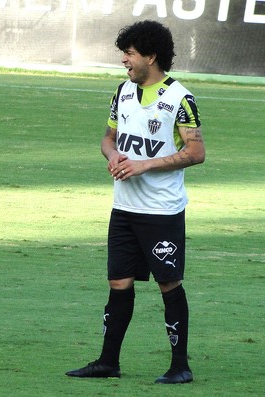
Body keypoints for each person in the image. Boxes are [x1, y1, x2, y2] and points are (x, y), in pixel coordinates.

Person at [65, 20, 205, 384]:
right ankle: (108, 361)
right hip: (124, 208)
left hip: (161, 211)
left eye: (129, 53)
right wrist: (112, 156)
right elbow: (108, 138)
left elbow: (196, 151)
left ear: (151, 56)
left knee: (168, 284)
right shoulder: (122, 92)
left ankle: (180, 367)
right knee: (118, 282)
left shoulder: (179, 98)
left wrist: (145, 165)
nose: (124, 60)